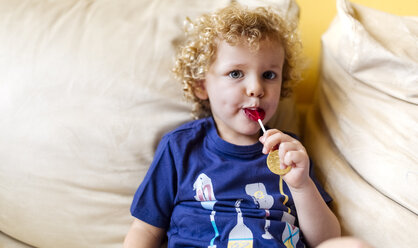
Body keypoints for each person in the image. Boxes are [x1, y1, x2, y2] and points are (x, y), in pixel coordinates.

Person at [124, 3, 341, 248]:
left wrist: (302, 186)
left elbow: (328, 241)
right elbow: (145, 228)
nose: (257, 89)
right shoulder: (179, 147)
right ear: (201, 85)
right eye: (236, 73)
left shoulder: (289, 152)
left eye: (269, 75)